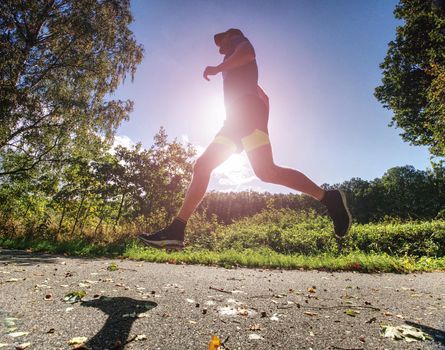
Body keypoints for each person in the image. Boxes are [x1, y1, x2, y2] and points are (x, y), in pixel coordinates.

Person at [138, 28, 352, 250]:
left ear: (231, 36)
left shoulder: (239, 43)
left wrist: (218, 68)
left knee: (207, 166)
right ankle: (329, 198)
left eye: (221, 41)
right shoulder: (238, 69)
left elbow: (249, 53)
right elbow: (264, 96)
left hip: (244, 114)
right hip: (241, 117)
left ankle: (176, 230)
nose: (219, 47)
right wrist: (260, 124)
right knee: (262, 171)